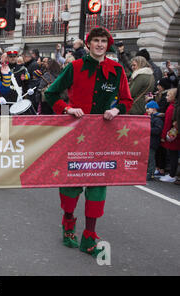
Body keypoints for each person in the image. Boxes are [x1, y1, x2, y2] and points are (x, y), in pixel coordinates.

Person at [44, 26, 133, 258]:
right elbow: (51, 94)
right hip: (76, 135)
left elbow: (126, 99)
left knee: (97, 186)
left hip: (103, 138)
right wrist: (68, 108)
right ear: (89, 44)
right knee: (72, 184)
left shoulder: (117, 70)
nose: (100, 45)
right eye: (96, 41)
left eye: (104, 41)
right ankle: (68, 223)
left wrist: (116, 110)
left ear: (108, 45)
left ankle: (90, 235)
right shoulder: (74, 67)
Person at [159, 88, 180, 183]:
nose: (166, 97)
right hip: (176, 134)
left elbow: (167, 124)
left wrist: (163, 137)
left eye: (168, 95)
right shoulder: (173, 107)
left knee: (173, 156)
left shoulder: (171, 108)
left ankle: (172, 174)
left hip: (173, 135)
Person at [145, 100, 164, 181]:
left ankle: (151, 173)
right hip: (148, 141)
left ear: (154, 109)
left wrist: (147, 129)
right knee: (147, 157)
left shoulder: (158, 119)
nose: (147, 110)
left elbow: (158, 130)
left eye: (148, 108)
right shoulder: (151, 117)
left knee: (151, 158)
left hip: (153, 142)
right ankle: (147, 172)